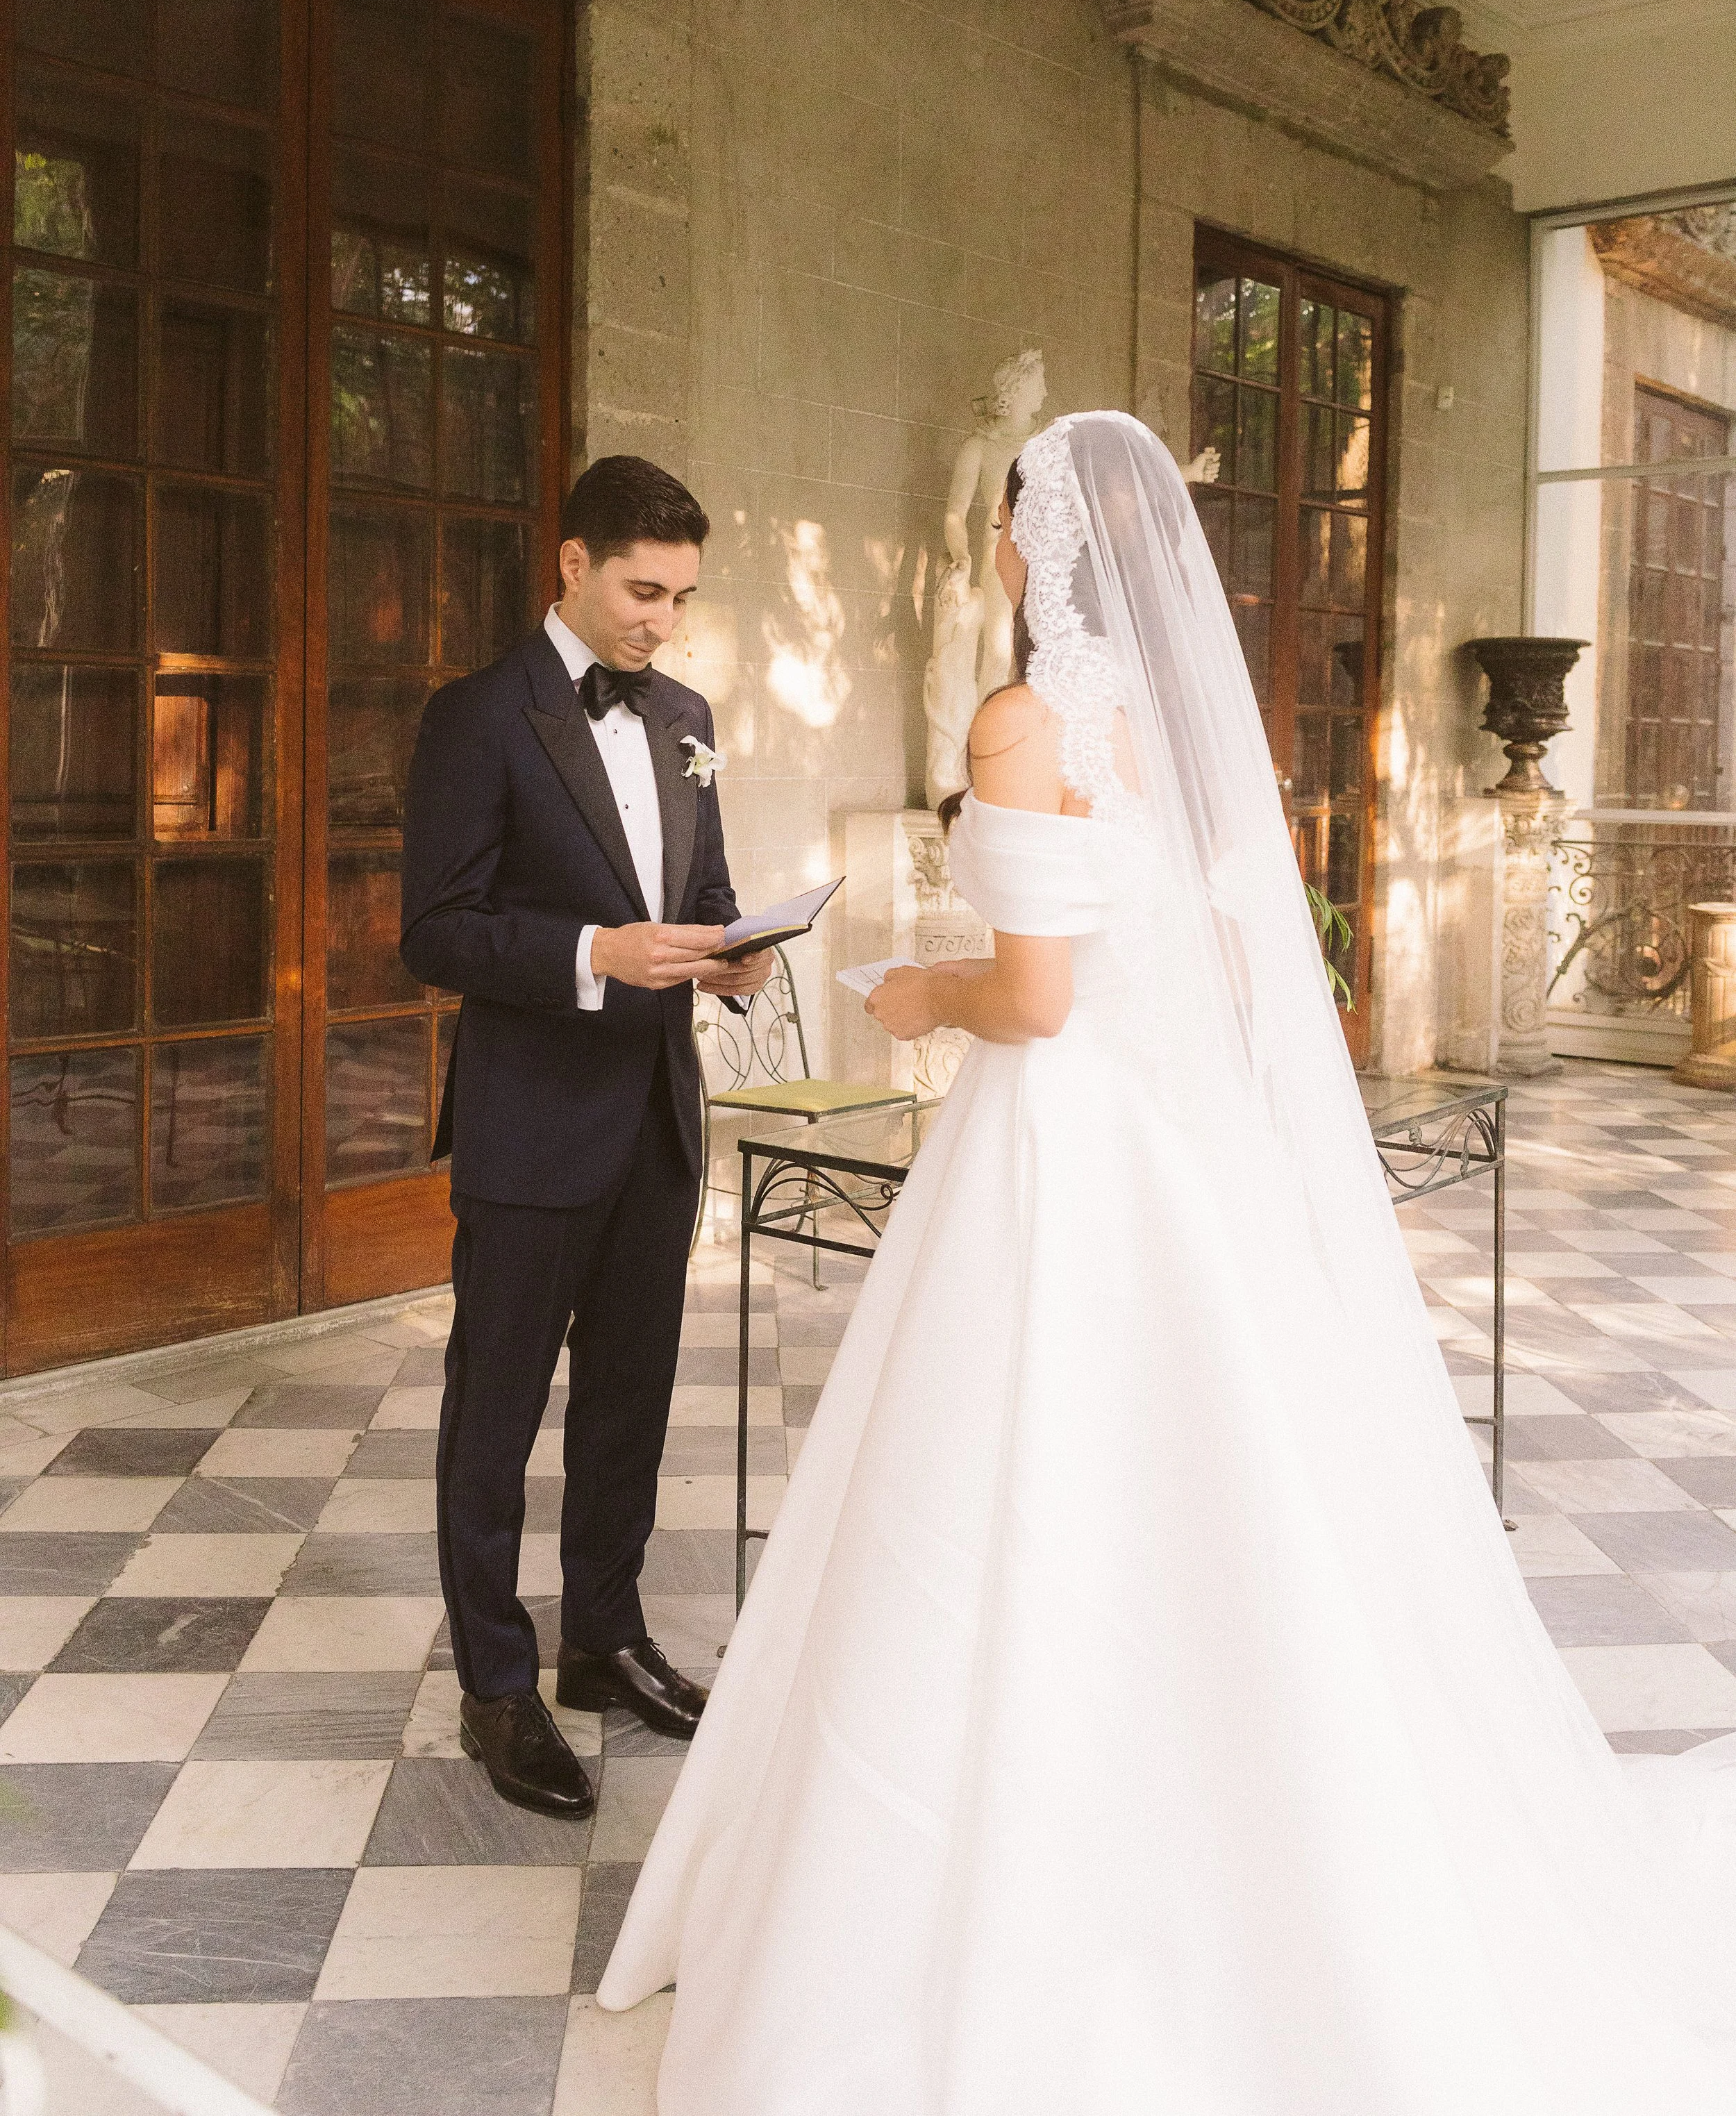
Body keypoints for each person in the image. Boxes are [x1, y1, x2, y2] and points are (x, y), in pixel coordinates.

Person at [600, 410, 1736, 2110]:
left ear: (1027, 540)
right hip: (1165, 1155)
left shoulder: (1021, 718)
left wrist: (918, 990)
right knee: (1189, 1483)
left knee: (997, 1479)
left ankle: (976, 1880)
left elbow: (1034, 1000)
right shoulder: (1159, 724)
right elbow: (1190, 942)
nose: (991, 548)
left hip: (1052, 1150)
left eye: (1001, 521)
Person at [400, 456, 773, 1819]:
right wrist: (587, 951)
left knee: (630, 1401)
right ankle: (496, 1685)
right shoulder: (477, 717)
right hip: (527, 1122)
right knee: (490, 1416)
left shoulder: (687, 715)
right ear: (569, 563)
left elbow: (713, 894)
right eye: (639, 589)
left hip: (657, 1121)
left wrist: (743, 960)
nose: (660, 621)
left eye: (679, 595)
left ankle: (598, 1640)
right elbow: (431, 928)